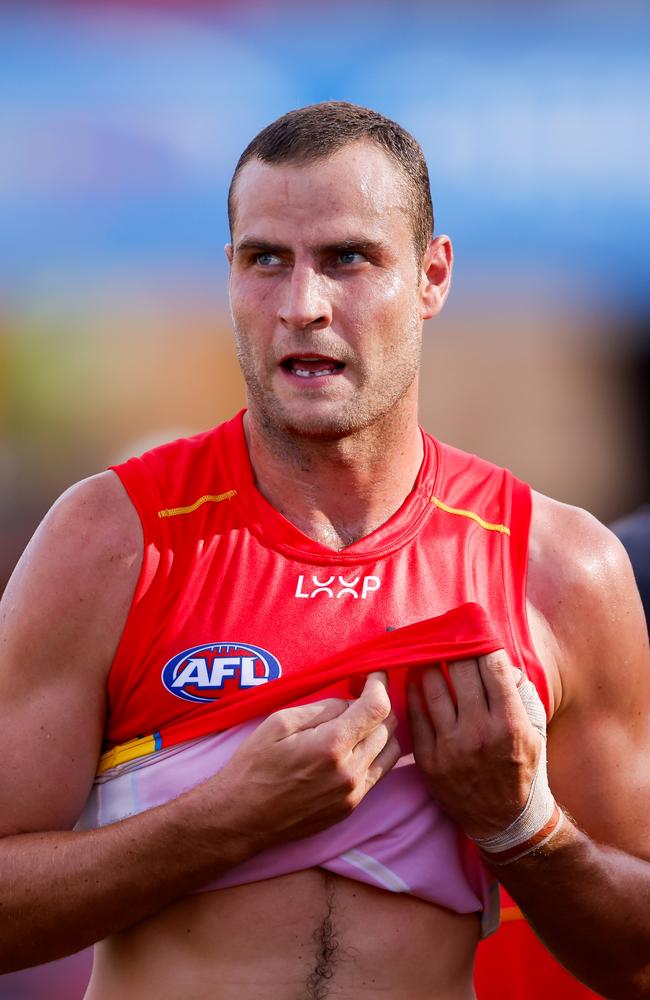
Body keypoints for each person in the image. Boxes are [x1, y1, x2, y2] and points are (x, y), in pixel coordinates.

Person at [1, 102, 649, 1000]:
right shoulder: (110, 539)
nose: (303, 305)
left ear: (432, 276)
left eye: (348, 258)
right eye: (267, 260)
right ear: (228, 274)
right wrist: (223, 822)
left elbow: (638, 960)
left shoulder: (560, 568)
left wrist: (518, 825)